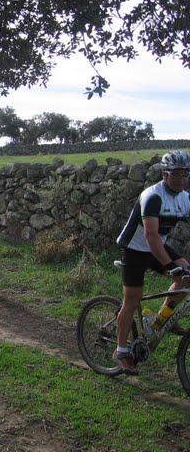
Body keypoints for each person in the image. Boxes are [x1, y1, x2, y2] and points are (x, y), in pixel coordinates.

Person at [114, 150, 190, 375]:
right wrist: (170, 265)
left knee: (186, 276)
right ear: (165, 174)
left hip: (156, 246)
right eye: (176, 173)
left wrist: (177, 266)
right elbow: (151, 237)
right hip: (135, 248)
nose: (181, 178)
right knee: (131, 300)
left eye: (185, 173)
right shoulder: (153, 196)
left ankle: (162, 318)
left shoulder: (185, 199)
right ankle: (120, 351)